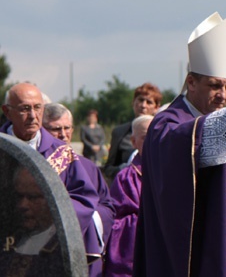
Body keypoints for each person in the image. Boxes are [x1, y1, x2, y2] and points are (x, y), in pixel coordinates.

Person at [134, 12, 226, 277]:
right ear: (191, 82)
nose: (223, 95)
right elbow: (179, 162)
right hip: (192, 250)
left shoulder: (218, 120)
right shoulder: (167, 123)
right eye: (215, 85)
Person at [1, 83, 103, 275]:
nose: (33, 115)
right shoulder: (2, 150)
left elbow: (84, 198)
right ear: (7, 112)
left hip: (50, 254)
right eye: (24, 108)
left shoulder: (62, 153)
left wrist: (51, 219)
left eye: (37, 107)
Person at [43, 102, 115, 277]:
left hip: (83, 249)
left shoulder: (88, 166)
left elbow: (107, 206)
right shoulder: (37, 166)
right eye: (55, 129)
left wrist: (87, 217)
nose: (63, 134)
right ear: (42, 130)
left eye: (67, 128)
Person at [105, 115, 153, 277]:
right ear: (133, 142)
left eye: (157, 135)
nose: (153, 141)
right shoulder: (126, 178)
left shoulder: (173, 172)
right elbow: (118, 224)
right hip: (137, 252)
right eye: (147, 137)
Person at [0, 167, 64, 276]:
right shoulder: (8, 238)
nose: (22, 205)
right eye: (19, 196)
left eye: (33, 197)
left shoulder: (61, 249)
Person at [105, 83, 161, 180]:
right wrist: (123, 170)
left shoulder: (162, 132)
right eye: (140, 100)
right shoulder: (120, 132)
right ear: (133, 102)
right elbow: (108, 169)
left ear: (156, 107)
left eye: (149, 102)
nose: (143, 105)